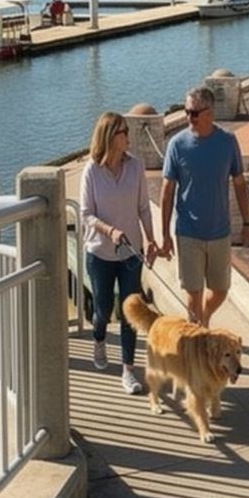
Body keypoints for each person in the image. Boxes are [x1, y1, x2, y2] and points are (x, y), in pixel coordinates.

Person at [158, 86, 249, 326]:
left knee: (220, 290)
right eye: (187, 111)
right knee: (193, 293)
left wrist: (247, 223)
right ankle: (197, 342)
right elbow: (167, 193)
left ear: (210, 112)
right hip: (188, 232)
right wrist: (165, 236)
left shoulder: (228, 142)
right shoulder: (176, 145)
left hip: (220, 231)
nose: (189, 118)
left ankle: (205, 317)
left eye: (194, 113)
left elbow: (240, 184)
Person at [79, 111, 156, 393]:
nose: (128, 136)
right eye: (124, 131)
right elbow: (86, 214)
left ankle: (128, 371)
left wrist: (151, 241)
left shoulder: (135, 167)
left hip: (130, 254)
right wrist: (109, 230)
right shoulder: (91, 170)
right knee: (103, 310)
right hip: (100, 253)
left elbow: (144, 208)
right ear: (111, 137)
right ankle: (99, 340)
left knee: (130, 313)